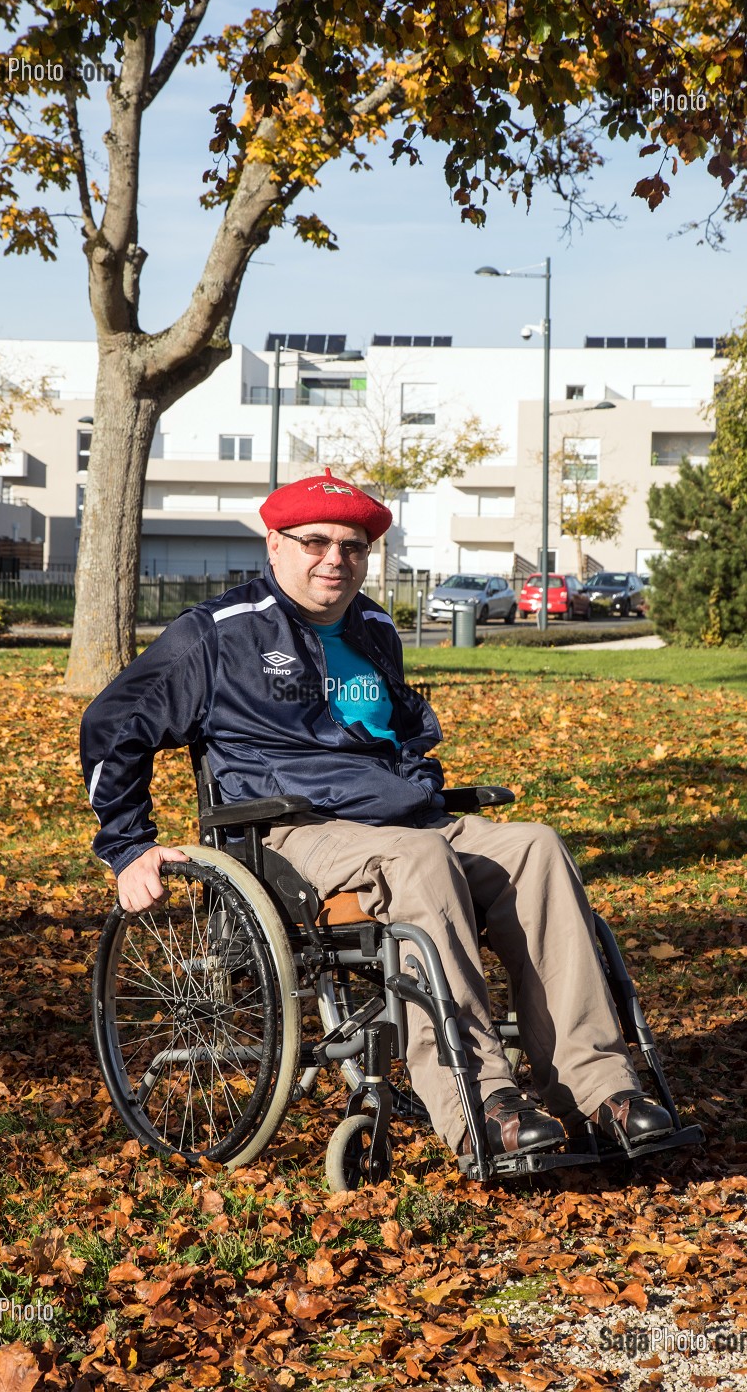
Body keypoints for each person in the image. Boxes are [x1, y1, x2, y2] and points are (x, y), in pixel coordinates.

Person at [80, 468, 674, 1158]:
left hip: (402, 821)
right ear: (274, 545)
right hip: (288, 831)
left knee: (535, 847)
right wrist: (128, 846)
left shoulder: (372, 627)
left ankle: (596, 1088)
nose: (335, 559)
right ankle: (481, 1103)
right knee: (417, 860)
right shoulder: (215, 635)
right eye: (314, 542)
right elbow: (113, 724)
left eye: (353, 547)